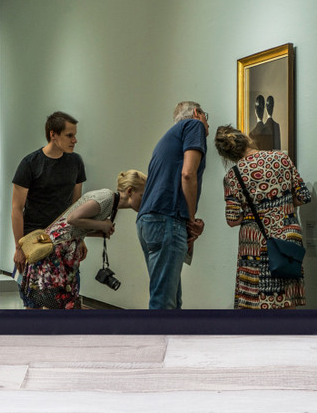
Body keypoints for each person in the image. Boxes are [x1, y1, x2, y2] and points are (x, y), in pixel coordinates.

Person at [214, 124, 311, 309]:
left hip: (256, 248)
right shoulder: (281, 158)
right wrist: (281, 206)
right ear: (246, 139)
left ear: (228, 156)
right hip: (287, 242)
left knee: (258, 310)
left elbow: (232, 219)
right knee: (287, 304)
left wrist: (254, 213)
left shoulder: (233, 176)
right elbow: (303, 196)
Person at [20, 170, 147, 309]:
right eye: (142, 195)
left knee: (56, 302)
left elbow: (76, 227)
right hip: (55, 252)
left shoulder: (111, 204)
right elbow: (72, 219)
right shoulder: (106, 198)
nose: (145, 200)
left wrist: (100, 231)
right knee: (55, 302)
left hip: (61, 251)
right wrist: (102, 225)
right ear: (130, 191)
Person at [137, 101, 209, 309]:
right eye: (206, 117)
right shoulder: (194, 126)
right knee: (163, 303)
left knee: (171, 299)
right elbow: (188, 174)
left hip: (148, 221)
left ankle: (171, 341)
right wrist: (192, 219)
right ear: (197, 113)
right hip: (167, 220)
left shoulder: (168, 138)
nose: (207, 124)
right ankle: (157, 342)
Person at [11, 111, 87, 306]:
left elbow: (76, 206)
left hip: (64, 241)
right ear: (53, 134)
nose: (75, 140)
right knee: (33, 301)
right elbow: (17, 209)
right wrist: (19, 248)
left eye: (75, 135)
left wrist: (79, 239)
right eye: (69, 135)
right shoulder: (30, 164)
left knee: (67, 300)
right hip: (35, 241)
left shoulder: (75, 162)